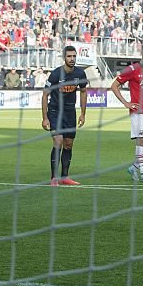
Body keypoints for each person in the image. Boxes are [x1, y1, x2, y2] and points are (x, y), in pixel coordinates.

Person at [111, 41, 143, 184]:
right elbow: (114, 85)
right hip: (137, 111)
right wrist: (126, 103)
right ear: (141, 53)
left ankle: (134, 166)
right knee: (141, 140)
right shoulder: (132, 69)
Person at [42, 46, 88, 186]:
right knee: (58, 141)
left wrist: (83, 114)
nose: (72, 59)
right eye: (69, 56)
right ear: (64, 57)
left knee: (68, 144)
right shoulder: (56, 74)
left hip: (70, 112)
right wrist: (45, 117)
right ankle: (54, 178)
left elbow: (83, 92)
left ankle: (65, 177)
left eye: (74, 56)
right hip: (55, 112)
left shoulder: (80, 74)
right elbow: (45, 95)